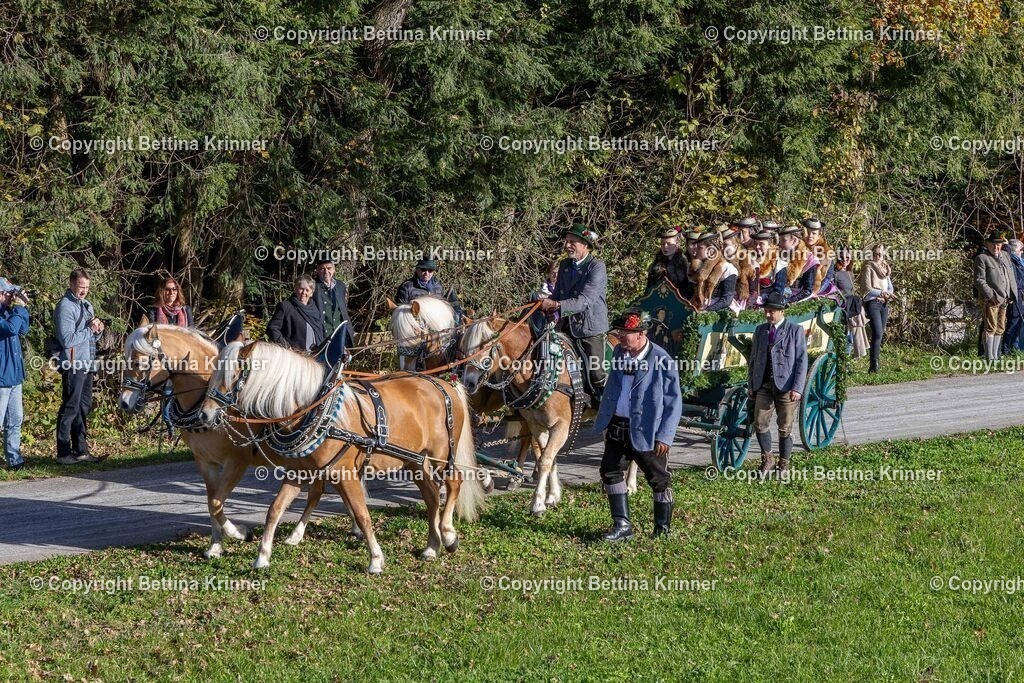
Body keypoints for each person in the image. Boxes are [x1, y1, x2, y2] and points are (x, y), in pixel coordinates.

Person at [594, 308, 683, 540]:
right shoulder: (618, 354)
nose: (621, 337)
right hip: (618, 426)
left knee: (659, 479)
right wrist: (605, 418)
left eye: (626, 333)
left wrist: (665, 435)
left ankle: (662, 530)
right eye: (621, 332)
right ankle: (622, 526)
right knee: (610, 471)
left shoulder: (662, 359)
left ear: (641, 334)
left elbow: (674, 401)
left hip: (648, 431)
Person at [540, 224, 609, 404]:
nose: (568, 245)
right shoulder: (564, 265)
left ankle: (605, 405)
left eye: (573, 242)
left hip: (589, 329)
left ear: (585, 245)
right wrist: (545, 306)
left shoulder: (597, 267)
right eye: (567, 241)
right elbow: (557, 295)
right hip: (564, 326)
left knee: (596, 372)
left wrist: (555, 304)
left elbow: (584, 300)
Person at [748, 292, 808, 476]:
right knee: (759, 422)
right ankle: (768, 458)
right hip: (764, 385)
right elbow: (754, 359)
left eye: (771, 311)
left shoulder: (795, 330)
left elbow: (801, 360)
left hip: (786, 387)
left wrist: (797, 387)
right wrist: (751, 384)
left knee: (785, 426)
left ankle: (784, 463)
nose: (767, 315)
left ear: (781, 311)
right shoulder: (760, 331)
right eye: (766, 311)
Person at [54, 268, 103, 465]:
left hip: (88, 363)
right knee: (70, 407)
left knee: (84, 407)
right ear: (71, 284)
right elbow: (66, 340)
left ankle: (81, 450)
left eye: (87, 287)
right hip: (73, 363)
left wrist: (98, 330)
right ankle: (63, 453)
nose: (84, 291)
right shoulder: (65, 307)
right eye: (81, 287)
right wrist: (89, 330)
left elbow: (91, 337)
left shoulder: (87, 305)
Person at [0, 279, 29, 471]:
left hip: (14, 375)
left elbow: (23, 328)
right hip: (1, 377)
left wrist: (22, 308)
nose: (12, 296)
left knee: (16, 419)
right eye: (9, 293)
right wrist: (19, 308)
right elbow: (10, 328)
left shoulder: (9, 312)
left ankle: (14, 459)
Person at [974, 233, 1016, 361]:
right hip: (991, 298)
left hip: (1005, 297)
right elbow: (979, 280)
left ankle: (996, 356)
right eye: (993, 244)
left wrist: (1011, 294)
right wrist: (991, 296)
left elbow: (1010, 275)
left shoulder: (1005, 256)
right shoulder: (982, 258)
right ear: (987, 244)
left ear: (1002, 245)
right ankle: (989, 357)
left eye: (998, 244)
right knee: (990, 327)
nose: (996, 247)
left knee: (1001, 327)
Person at [860, 243, 895, 371]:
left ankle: (875, 362)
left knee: (880, 334)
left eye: (879, 254)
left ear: (883, 255)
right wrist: (881, 292)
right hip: (873, 302)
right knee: (878, 332)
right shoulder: (868, 268)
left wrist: (889, 294)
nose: (877, 256)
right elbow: (867, 288)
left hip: (884, 303)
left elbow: (889, 286)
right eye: (875, 254)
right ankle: (873, 365)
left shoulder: (885, 269)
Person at [268, 276, 325, 353]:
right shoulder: (286, 307)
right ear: (295, 289)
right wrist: (286, 346)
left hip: (315, 355)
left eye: (307, 290)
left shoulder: (315, 309)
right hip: (295, 356)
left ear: (311, 293)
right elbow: (272, 328)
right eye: (301, 289)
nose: (304, 293)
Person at [395, 258, 463, 320]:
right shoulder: (406, 287)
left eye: (430, 270)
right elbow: (400, 312)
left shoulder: (438, 286)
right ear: (417, 269)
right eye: (423, 270)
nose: (426, 273)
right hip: (416, 322)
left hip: (436, 322)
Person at [690, 232, 737, 311]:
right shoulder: (698, 268)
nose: (696, 251)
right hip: (698, 308)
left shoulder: (728, 268)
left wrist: (707, 311)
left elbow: (726, 299)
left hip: (720, 312)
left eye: (700, 248)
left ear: (711, 250)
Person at [313, 258, 353, 349]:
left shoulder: (340, 285)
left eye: (329, 268)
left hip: (339, 336)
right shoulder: (312, 285)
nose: (326, 271)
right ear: (318, 270)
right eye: (322, 269)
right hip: (321, 336)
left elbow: (342, 311)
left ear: (334, 269)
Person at [645, 226, 692, 298]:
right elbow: (649, 290)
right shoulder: (655, 265)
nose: (665, 247)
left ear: (677, 244)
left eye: (669, 244)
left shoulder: (685, 264)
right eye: (663, 244)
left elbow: (689, 291)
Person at [776, 225, 819, 303]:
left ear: (795, 241)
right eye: (780, 240)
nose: (780, 244)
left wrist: (788, 300)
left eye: (784, 240)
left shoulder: (810, 259)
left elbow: (807, 291)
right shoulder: (780, 255)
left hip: (799, 298)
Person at [802, 217, 836, 296]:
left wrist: (814, 292)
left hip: (819, 282)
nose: (810, 236)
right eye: (808, 232)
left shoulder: (825, 251)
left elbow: (824, 277)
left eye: (814, 233)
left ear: (819, 235)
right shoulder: (798, 245)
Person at [1002, 239, 1024, 354]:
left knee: (1018, 322)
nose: (1022, 252)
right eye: (1021, 250)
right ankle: (1005, 350)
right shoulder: (1012, 261)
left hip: (1020, 294)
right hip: (1014, 295)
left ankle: (1013, 349)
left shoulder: (1019, 262)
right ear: (1015, 250)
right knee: (1013, 322)